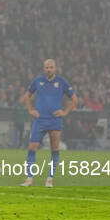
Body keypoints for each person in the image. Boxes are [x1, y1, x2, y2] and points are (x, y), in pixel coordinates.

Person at [21, 59, 78, 188]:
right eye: (47, 67)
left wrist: (65, 112)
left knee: (55, 149)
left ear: (55, 68)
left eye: (51, 67)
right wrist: (31, 110)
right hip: (40, 120)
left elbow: (74, 99)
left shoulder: (62, 82)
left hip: (55, 120)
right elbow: (27, 96)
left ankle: (49, 179)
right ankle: (29, 179)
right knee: (32, 147)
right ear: (44, 68)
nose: (49, 69)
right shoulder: (37, 81)